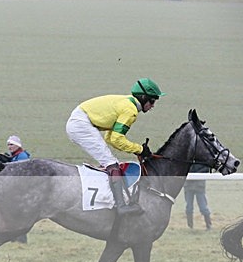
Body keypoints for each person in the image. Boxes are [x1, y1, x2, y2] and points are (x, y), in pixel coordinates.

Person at [66, 78, 164, 216]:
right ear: (143, 98)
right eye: (152, 101)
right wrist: (140, 149)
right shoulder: (130, 110)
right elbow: (117, 139)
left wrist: (137, 150)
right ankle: (121, 206)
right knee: (111, 164)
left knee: (112, 163)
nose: (153, 105)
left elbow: (110, 138)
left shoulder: (128, 103)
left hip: (79, 121)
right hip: (81, 125)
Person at [183, 162, 211, 230]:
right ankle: (190, 226)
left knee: (203, 207)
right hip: (189, 186)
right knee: (189, 207)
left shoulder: (202, 159)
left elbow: (206, 169)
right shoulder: (188, 158)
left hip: (199, 186)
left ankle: (208, 225)